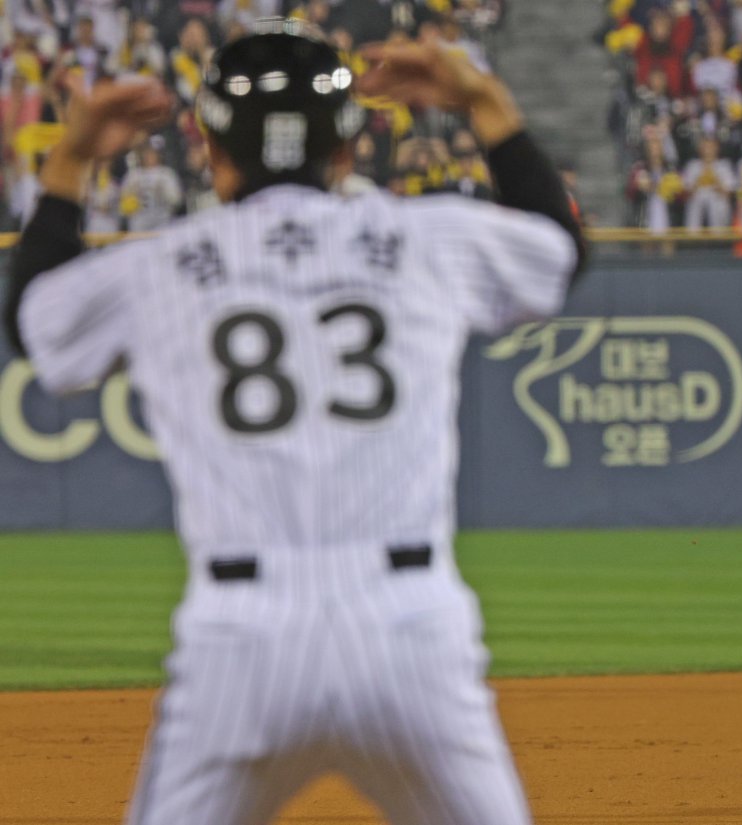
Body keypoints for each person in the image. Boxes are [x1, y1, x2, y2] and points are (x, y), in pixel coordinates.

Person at [4, 18, 584, 824]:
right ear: (346, 149)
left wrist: (71, 159)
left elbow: (39, 322)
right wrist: (481, 99)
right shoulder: (426, 240)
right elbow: (559, 250)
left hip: (239, 641)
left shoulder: (163, 266)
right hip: (409, 629)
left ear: (210, 148)